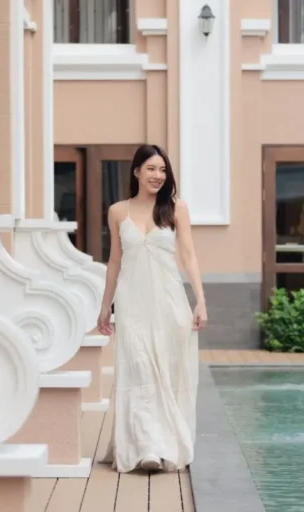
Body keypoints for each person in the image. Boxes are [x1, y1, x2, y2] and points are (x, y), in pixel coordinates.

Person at [96, 144, 207, 473]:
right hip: (132, 305)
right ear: (136, 172)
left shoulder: (175, 209)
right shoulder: (118, 211)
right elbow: (115, 260)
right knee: (140, 370)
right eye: (151, 169)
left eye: (162, 170)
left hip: (170, 304)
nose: (158, 176)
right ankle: (145, 447)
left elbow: (188, 256)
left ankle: (163, 446)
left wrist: (200, 299)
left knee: (166, 374)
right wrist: (106, 306)